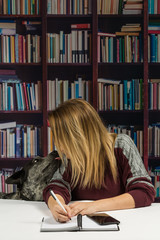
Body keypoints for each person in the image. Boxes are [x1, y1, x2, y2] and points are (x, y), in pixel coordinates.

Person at [43, 98, 155, 223]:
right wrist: (55, 206)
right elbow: (55, 187)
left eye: (63, 140)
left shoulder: (121, 145)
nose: (60, 148)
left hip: (123, 225)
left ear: (79, 136)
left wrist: (94, 206)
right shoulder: (70, 156)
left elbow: (144, 192)